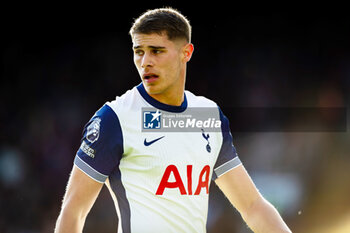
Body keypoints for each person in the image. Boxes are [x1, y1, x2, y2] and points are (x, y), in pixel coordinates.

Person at [55, 7, 292, 233]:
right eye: (139, 51)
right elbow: (73, 211)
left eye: (156, 51)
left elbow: (252, 206)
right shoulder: (115, 118)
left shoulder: (208, 116)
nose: (146, 61)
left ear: (186, 53)